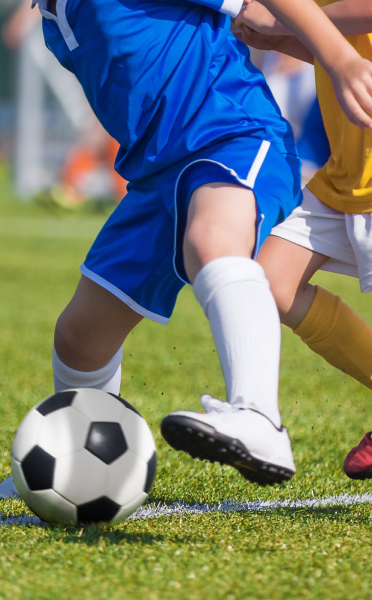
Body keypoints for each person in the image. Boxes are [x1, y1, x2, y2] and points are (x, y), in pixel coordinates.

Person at [20, 0, 372, 492]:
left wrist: (340, 59)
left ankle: (258, 418)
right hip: (155, 178)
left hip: (232, 137)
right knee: (78, 337)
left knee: (211, 238)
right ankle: (76, 468)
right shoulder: (55, 16)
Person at [233, 0, 372, 480]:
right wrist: (281, 40)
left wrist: (289, 22)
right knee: (269, 284)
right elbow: (347, 55)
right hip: (345, 176)